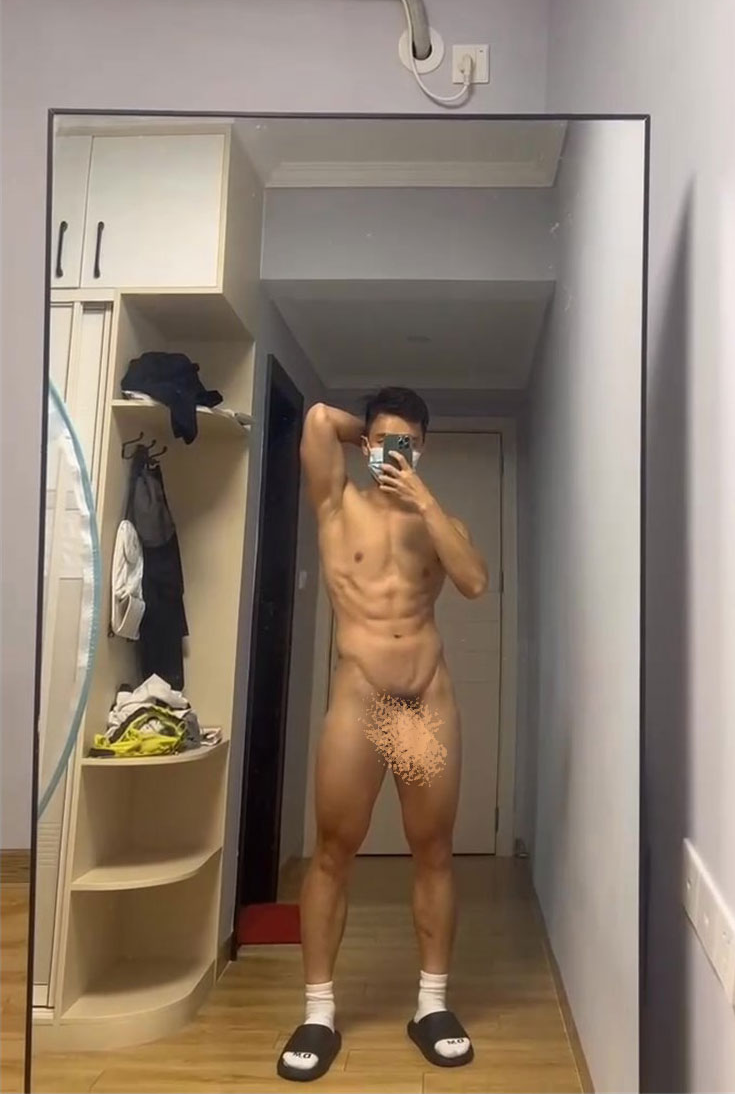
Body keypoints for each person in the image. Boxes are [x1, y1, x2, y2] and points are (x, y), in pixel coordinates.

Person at [277, 386, 488, 1082]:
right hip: (362, 698)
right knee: (333, 851)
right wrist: (369, 434)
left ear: (423, 450)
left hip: (422, 702)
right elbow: (317, 419)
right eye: (383, 442)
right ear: (365, 444)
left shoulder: (439, 521)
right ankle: (318, 1013)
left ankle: (432, 1006)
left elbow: (475, 583)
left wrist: (422, 497)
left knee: (433, 851)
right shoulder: (337, 504)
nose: (395, 453)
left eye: (409, 444)